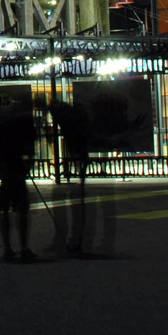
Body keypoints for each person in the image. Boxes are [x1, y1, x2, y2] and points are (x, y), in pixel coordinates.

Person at [0, 107, 38, 263]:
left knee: (5, 209)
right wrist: (28, 165)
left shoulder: (2, 128)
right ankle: (24, 247)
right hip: (17, 169)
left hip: (5, 170)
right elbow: (29, 146)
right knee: (22, 209)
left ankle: (7, 247)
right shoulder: (23, 127)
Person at [50, 99, 92, 256]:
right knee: (77, 207)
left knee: (78, 208)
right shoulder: (76, 121)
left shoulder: (71, 125)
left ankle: (76, 241)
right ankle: (75, 240)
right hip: (79, 161)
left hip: (79, 161)